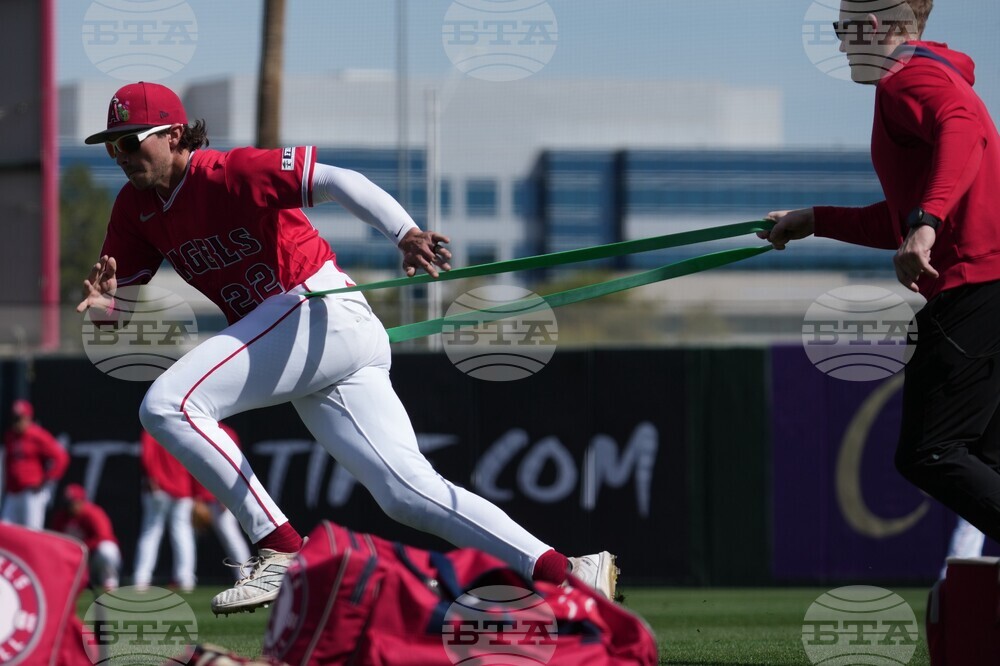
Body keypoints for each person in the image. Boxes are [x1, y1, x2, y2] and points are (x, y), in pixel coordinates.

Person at [76, 81, 616, 615]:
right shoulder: (134, 207)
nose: (119, 154)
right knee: (406, 493)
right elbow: (111, 319)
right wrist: (104, 305)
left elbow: (335, 178)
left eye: (130, 140)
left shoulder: (228, 171)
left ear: (173, 135)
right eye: (110, 144)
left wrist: (403, 231)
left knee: (169, 405)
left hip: (316, 307)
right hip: (311, 340)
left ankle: (279, 547)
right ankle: (568, 570)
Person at [759, 1, 1000, 546]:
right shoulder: (932, 72)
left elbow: (963, 134)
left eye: (842, 30)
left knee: (932, 452)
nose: (840, 44)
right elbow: (900, 214)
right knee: (985, 458)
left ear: (872, 28)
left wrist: (926, 225)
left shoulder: (904, 78)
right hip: (989, 283)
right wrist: (815, 220)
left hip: (977, 288)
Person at [133, 429, 198, 592]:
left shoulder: (151, 428)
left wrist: (150, 477)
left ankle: (142, 578)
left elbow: (146, 456)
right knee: (182, 534)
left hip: (159, 488)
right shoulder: (182, 429)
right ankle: (186, 579)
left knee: (151, 532)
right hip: (181, 487)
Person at [190, 422, 252, 582]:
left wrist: (228, 494)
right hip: (202, 496)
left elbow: (234, 465)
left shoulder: (228, 432)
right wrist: (196, 496)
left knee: (231, 536)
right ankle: (186, 578)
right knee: (188, 537)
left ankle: (246, 575)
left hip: (220, 497)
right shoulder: (196, 429)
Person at [1, 399, 69, 530]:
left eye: (20, 418)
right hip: (13, 492)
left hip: (32, 492)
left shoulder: (37, 435)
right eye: (15, 419)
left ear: (28, 418)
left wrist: (46, 479)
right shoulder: (10, 436)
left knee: (32, 530)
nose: (17, 422)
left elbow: (61, 457)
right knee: (5, 529)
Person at [51, 483, 122, 591]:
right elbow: (55, 541)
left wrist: (81, 548)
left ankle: (109, 582)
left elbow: (104, 537)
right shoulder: (61, 517)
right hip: (74, 559)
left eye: (72, 503)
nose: (69, 506)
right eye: (67, 503)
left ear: (81, 501)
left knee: (107, 549)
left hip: (92, 557)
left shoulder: (93, 513)